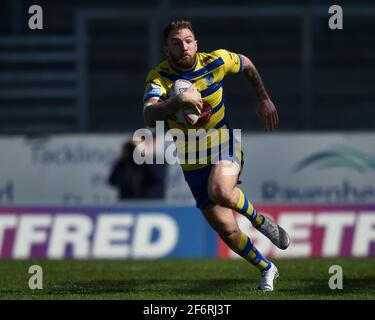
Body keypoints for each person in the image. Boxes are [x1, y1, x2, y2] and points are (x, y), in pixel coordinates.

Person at [142, 19, 290, 291]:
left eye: (188, 40)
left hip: (223, 143)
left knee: (221, 189)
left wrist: (263, 98)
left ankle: (260, 221)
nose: (184, 46)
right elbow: (149, 115)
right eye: (176, 43)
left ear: (196, 43)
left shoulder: (217, 61)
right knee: (228, 230)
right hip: (191, 159)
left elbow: (247, 64)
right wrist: (177, 101)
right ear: (167, 50)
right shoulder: (159, 77)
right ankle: (266, 268)